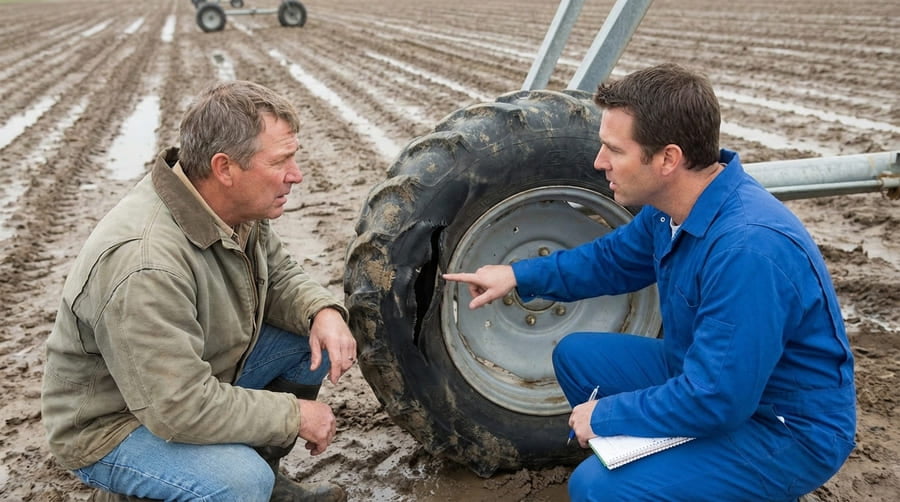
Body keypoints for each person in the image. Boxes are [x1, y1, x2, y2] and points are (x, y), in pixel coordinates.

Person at [444, 63, 856, 501]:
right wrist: (517, 275)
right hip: (709, 375)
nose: (599, 162)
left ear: (667, 159)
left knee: (594, 489)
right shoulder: (672, 209)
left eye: (614, 150)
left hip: (783, 428)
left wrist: (607, 416)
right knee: (577, 356)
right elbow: (610, 260)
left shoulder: (748, 251)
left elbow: (718, 397)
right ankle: (674, 469)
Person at [41, 80, 357, 502]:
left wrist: (322, 312)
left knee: (310, 339)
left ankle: (268, 481)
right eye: (281, 161)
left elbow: (278, 273)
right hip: (118, 422)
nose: (295, 176)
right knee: (239, 482)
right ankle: (146, 491)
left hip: (189, 374)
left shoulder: (233, 205)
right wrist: (292, 414)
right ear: (225, 168)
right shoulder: (144, 262)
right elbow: (179, 407)